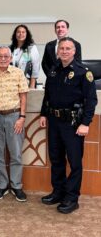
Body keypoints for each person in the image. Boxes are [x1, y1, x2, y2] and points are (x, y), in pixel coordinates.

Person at [40, 37, 97, 214]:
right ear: (58, 51)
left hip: (73, 124)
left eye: (68, 48)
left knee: (74, 162)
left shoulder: (83, 72)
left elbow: (91, 100)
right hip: (55, 122)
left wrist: (86, 123)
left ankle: (72, 198)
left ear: (74, 51)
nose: (64, 51)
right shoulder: (53, 70)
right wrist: (44, 114)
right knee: (56, 159)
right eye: (62, 48)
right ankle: (58, 192)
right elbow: (47, 95)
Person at [0, 46, 29, 202]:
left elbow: (23, 97)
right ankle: (2, 185)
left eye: (6, 56)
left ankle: (16, 185)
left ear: (11, 58)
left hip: (14, 116)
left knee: (16, 153)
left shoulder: (18, 73)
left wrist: (22, 117)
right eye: (0, 56)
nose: (3, 59)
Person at [9, 24, 40, 88]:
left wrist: (32, 85)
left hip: (26, 82)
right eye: (18, 32)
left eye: (23, 32)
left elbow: (35, 67)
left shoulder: (31, 48)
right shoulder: (11, 48)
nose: (21, 34)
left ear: (27, 34)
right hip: (12, 82)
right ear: (15, 34)